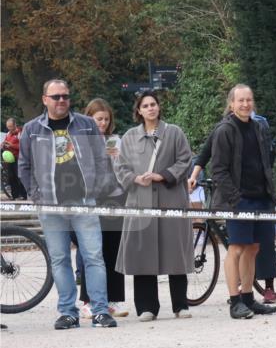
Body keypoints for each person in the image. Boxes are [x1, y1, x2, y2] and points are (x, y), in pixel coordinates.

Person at [18, 79, 116, 329]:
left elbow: (102, 159)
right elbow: (24, 166)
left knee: (94, 257)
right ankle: (67, 312)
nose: (61, 100)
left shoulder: (86, 125)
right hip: (51, 205)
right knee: (59, 259)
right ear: (44, 100)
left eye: (65, 96)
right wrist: (36, 195)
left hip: (84, 202)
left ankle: (100, 311)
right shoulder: (31, 129)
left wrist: (97, 190)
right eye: (56, 97)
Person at [113, 91, 194, 321]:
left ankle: (181, 304)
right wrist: (135, 179)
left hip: (171, 199)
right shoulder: (129, 137)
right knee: (143, 253)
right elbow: (120, 167)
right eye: (145, 105)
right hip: (141, 200)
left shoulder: (175, 133)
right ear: (138, 110)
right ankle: (147, 306)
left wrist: (163, 175)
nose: (150, 108)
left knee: (175, 251)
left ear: (159, 107)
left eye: (153, 104)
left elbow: (185, 160)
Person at [210, 84, 276, 320]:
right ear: (232, 104)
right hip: (238, 200)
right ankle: (235, 301)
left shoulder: (259, 127)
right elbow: (218, 170)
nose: (245, 104)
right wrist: (235, 198)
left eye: (249, 100)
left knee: (254, 248)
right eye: (240, 100)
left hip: (260, 198)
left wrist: (270, 193)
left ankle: (249, 298)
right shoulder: (224, 130)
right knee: (237, 248)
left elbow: (266, 163)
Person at [78, 99, 128, 318]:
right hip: (90, 199)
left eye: (106, 119)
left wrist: (117, 159)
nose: (103, 123)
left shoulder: (113, 140)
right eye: (99, 119)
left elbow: (121, 170)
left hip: (115, 198)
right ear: (90, 118)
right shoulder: (80, 141)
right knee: (91, 250)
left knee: (113, 249)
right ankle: (88, 299)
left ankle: (113, 299)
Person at [2, 117, 27, 199]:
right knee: (11, 177)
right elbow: (5, 144)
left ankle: (22, 195)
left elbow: (24, 146)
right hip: (9, 159)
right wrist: (3, 145)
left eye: (10, 127)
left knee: (19, 177)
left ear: (15, 125)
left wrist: (11, 145)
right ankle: (14, 195)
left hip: (19, 158)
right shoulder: (8, 134)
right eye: (8, 127)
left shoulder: (21, 133)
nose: (9, 129)